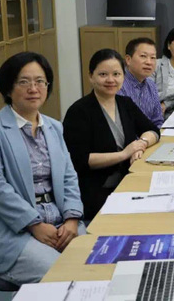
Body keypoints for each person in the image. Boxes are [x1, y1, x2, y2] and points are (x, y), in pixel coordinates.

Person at [0, 52, 84, 284]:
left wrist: (72, 217)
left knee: (100, 261)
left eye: (40, 81)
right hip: (9, 228)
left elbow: (69, 177)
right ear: (8, 88)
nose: (33, 89)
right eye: (24, 82)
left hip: (59, 220)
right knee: (63, 274)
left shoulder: (54, 127)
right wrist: (34, 224)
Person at [63, 49, 159, 220]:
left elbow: (153, 130)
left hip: (130, 180)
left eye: (116, 74)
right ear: (91, 76)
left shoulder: (125, 103)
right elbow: (80, 160)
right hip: (97, 191)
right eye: (103, 74)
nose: (110, 80)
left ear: (123, 76)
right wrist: (124, 154)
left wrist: (141, 144)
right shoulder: (78, 111)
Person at [117, 38, 164, 128]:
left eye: (153, 58)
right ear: (128, 59)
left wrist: (154, 134)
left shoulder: (151, 85)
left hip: (151, 135)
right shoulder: (118, 85)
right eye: (143, 56)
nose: (149, 62)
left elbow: (158, 120)